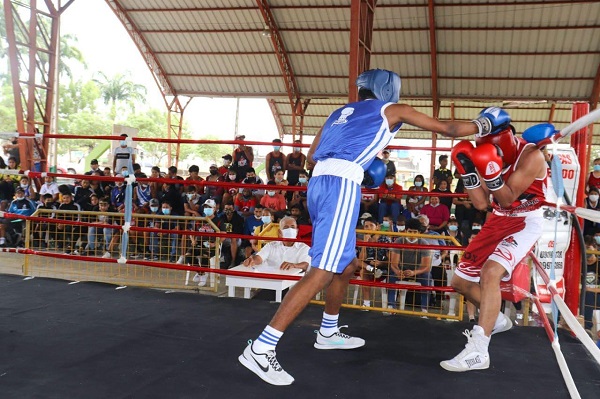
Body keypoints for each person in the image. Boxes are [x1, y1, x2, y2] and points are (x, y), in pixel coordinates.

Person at [238, 68, 492, 386]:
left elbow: (313, 156)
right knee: (322, 270)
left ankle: (328, 331)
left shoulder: (338, 113)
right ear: (389, 89)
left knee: (347, 264)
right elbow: (449, 128)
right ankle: (262, 348)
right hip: (340, 186)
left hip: (319, 186)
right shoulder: (392, 110)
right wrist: (486, 122)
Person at [441, 122, 546, 372]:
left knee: (490, 273)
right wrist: (468, 170)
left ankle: (479, 350)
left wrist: (491, 174)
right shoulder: (484, 153)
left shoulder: (531, 155)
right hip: (498, 220)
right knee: (460, 282)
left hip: (525, 221)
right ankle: (496, 318)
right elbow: (479, 203)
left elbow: (508, 198)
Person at [242, 216, 310, 271]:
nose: (290, 230)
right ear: (280, 232)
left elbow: (306, 265)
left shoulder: (304, 247)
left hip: (293, 284)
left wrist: (294, 265)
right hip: (272, 282)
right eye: (286, 227)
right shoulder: (271, 245)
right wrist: (252, 260)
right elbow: (259, 258)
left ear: (297, 231)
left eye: (292, 227)